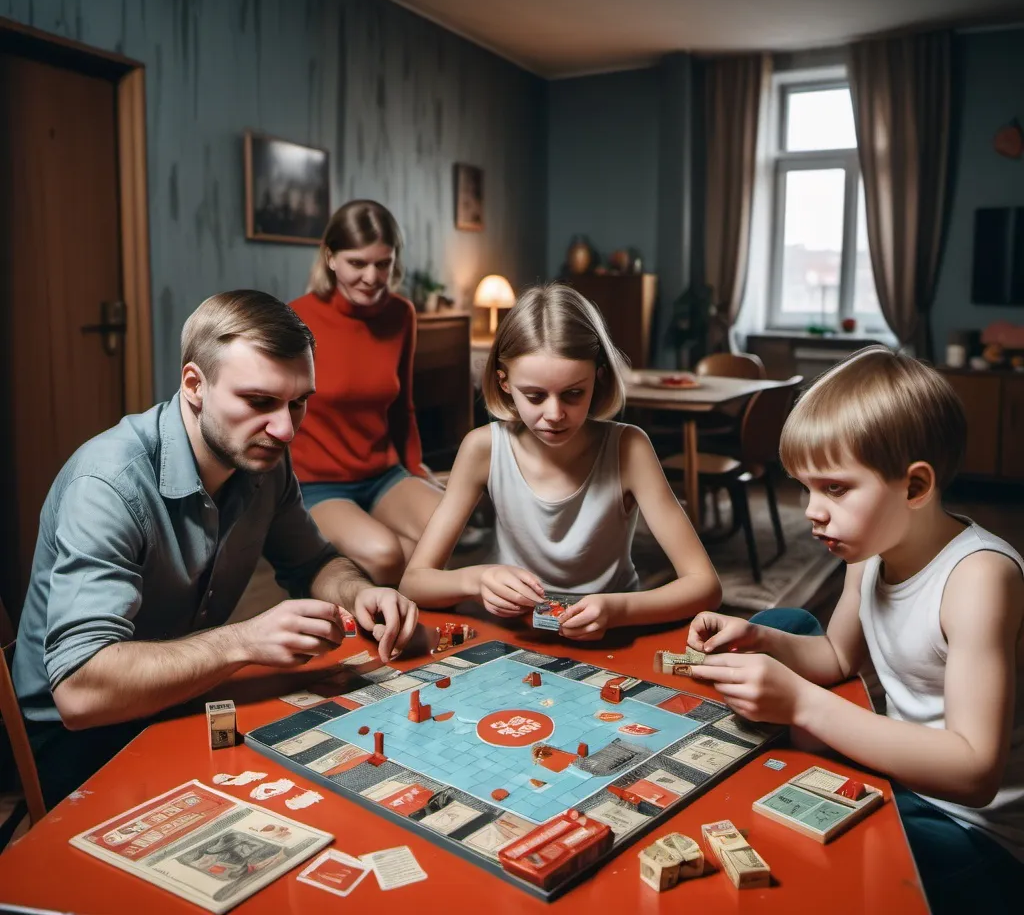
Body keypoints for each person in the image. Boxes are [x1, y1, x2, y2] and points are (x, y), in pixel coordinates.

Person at [13, 290, 419, 807]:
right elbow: (79, 691)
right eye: (260, 402)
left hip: (183, 698)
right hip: (79, 741)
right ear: (194, 385)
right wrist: (242, 641)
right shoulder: (108, 484)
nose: (286, 429)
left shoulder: (263, 457)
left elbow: (313, 561)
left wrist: (360, 592)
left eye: (299, 402)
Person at [684, 347, 1024, 913]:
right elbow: (837, 656)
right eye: (806, 488)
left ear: (915, 487)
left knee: (793, 859)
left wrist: (801, 705)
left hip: (976, 832)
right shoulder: (869, 551)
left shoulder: (980, 578)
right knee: (776, 624)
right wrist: (759, 639)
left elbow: (973, 773)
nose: (813, 511)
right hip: (906, 781)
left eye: (835, 489)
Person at [400, 283, 722, 638]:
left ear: (598, 379)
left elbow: (705, 585)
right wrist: (476, 579)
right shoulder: (483, 448)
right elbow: (414, 583)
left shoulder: (629, 448)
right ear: (503, 382)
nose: (554, 414)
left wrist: (617, 609)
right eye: (535, 396)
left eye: (573, 393)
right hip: (516, 635)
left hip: (614, 635)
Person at [289, 200, 443, 586]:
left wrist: (417, 471)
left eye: (383, 263)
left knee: (445, 524)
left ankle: (425, 632)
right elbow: (278, 411)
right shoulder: (294, 318)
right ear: (331, 258)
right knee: (389, 554)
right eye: (357, 263)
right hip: (315, 484)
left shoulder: (402, 314)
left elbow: (403, 407)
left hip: (382, 474)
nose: (372, 277)